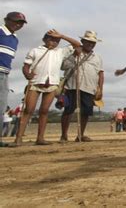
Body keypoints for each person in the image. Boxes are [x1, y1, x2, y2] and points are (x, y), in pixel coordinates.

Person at [14, 29, 81, 146]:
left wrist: (62, 35)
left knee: (44, 111)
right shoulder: (35, 51)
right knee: (28, 110)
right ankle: (18, 138)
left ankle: (40, 138)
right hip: (35, 83)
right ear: (44, 39)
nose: (54, 42)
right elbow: (26, 66)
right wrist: (27, 74)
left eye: (57, 41)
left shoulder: (60, 52)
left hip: (52, 84)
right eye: (51, 39)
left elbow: (77, 45)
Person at [59, 30, 104, 142]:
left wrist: (100, 89)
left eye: (93, 43)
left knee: (86, 112)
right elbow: (63, 66)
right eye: (88, 41)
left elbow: (100, 74)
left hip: (89, 88)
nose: (90, 44)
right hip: (72, 86)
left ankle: (80, 135)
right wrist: (75, 55)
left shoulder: (97, 57)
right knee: (68, 111)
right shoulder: (73, 52)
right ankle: (64, 135)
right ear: (82, 41)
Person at [0, 12, 27, 147]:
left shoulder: (15, 38)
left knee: (1, 107)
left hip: (5, 74)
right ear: (6, 20)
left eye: (21, 23)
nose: (18, 24)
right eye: (16, 21)